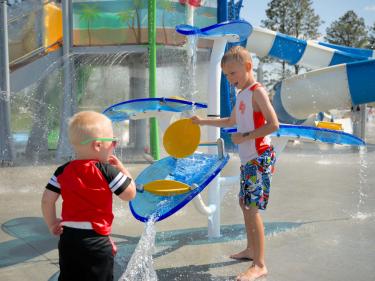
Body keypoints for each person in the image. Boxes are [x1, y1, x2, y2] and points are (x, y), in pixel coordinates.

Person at [191, 46, 279, 281]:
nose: (230, 79)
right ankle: (251, 250)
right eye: (227, 75)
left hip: (260, 158)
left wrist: (245, 136)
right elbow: (230, 120)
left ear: (248, 67)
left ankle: (260, 264)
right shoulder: (242, 95)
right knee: (244, 204)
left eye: (232, 73)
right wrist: (202, 122)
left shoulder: (257, 91)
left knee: (252, 210)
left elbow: (274, 125)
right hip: (249, 159)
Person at [41, 111, 136, 281]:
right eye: (113, 142)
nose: (114, 146)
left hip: (68, 240)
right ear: (98, 145)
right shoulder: (106, 171)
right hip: (97, 242)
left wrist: (52, 223)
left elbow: (47, 200)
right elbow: (130, 194)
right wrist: (123, 169)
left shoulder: (62, 171)